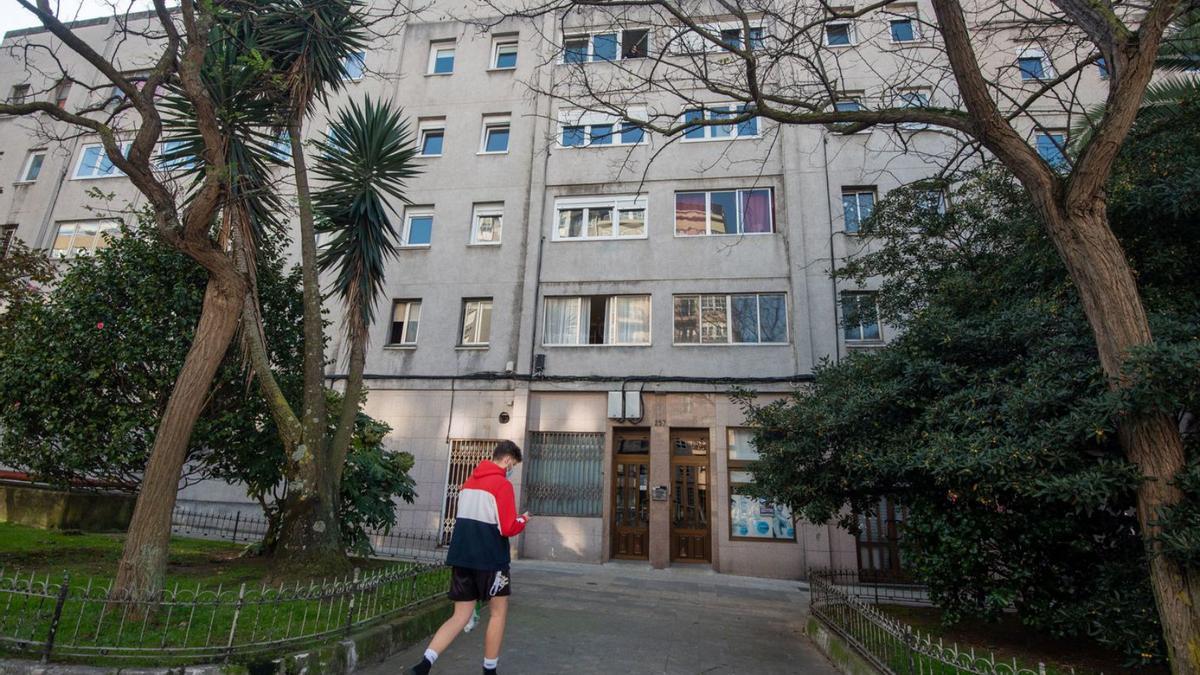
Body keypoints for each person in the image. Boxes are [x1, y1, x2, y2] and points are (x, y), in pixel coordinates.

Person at [410, 440, 531, 675]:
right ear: (507, 460)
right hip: (490, 560)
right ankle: (489, 670)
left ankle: (424, 664)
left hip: (462, 558)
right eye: (513, 465)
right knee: (497, 614)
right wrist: (524, 520)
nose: (511, 470)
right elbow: (507, 527)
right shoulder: (501, 485)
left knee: (460, 616)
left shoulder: (467, 483)